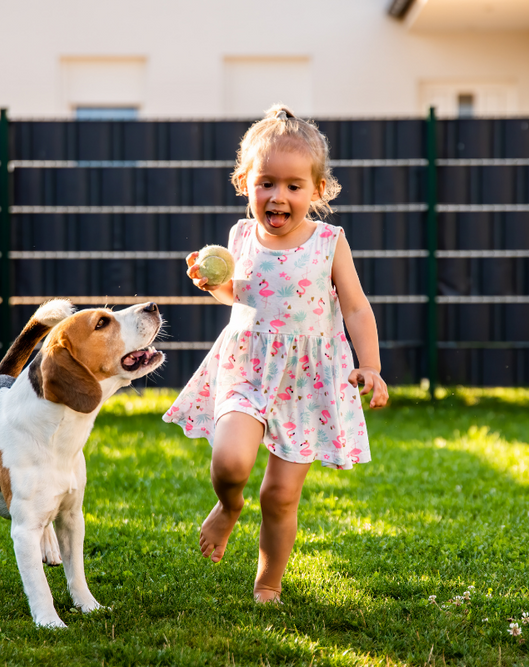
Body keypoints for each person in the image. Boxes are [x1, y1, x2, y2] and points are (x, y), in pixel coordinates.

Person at [163, 104, 388, 603]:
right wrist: (210, 283)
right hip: (247, 366)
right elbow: (241, 294)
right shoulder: (240, 237)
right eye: (266, 183)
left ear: (318, 190)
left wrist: (368, 365)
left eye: (293, 186)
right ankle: (228, 505)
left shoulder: (329, 243)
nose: (278, 196)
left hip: (308, 381)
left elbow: (355, 307)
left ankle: (268, 583)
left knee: (281, 494)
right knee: (230, 463)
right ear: (245, 182)